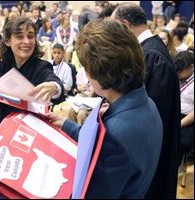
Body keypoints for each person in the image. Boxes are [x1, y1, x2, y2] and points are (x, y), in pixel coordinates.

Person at [47, 18, 163, 198]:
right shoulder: (147, 105)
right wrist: (64, 123)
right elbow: (96, 139)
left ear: (98, 75)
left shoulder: (116, 135)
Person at [111, 3, 181, 199]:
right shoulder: (149, 51)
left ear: (125, 25)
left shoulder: (151, 57)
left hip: (152, 156)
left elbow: (148, 115)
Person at [0, 16, 65, 130]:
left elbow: (53, 81)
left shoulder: (42, 67)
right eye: (19, 37)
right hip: (2, 129)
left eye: (30, 36)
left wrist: (54, 87)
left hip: (31, 131)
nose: (26, 41)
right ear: (7, 41)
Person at [173, 50, 194, 165]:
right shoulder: (176, 78)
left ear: (191, 67)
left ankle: (175, 166)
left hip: (187, 118)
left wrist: (179, 124)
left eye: (181, 70)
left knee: (181, 142)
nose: (178, 73)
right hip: (174, 113)